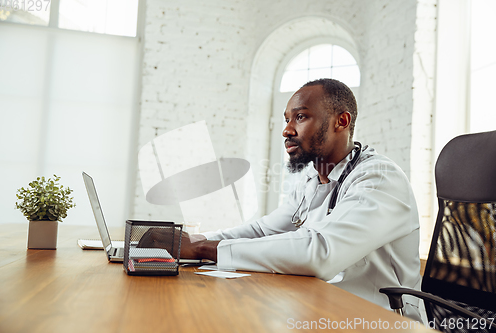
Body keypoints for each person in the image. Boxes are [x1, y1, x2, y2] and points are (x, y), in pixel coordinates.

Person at [143, 78, 422, 320]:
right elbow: (264, 230)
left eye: (300, 117)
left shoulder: (379, 178)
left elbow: (321, 253)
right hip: (320, 306)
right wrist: (195, 241)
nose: (287, 130)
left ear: (342, 121)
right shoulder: (314, 178)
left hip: (376, 318)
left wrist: (206, 250)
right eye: (287, 119)